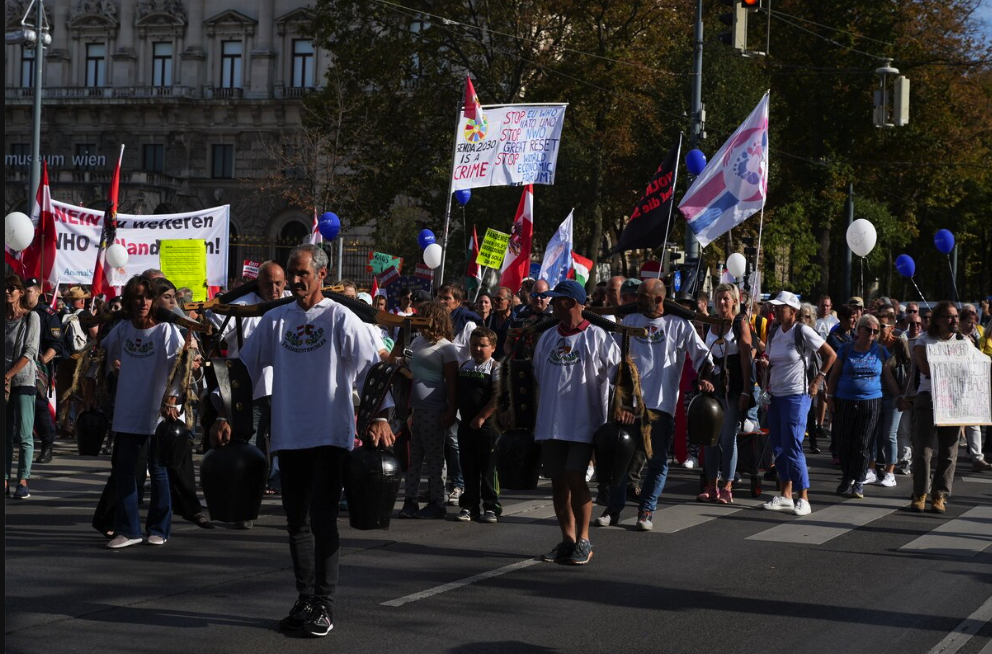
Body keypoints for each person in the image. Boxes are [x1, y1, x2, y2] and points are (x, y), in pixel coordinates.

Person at [210, 244, 393, 637]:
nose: (294, 280)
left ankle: (324, 605)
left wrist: (379, 415)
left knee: (323, 520)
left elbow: (371, 370)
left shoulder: (341, 318)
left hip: (329, 435)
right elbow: (243, 370)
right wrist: (226, 415)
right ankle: (305, 598)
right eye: (291, 273)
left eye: (302, 273)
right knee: (297, 522)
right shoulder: (276, 320)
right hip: (289, 435)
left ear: (322, 274)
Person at [597, 278, 713, 530]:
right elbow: (615, 358)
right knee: (620, 458)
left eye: (642, 296)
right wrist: (619, 397)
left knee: (657, 462)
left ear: (659, 299)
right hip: (630, 404)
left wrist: (705, 378)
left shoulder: (679, 325)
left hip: (661, 405)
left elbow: (703, 355)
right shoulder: (631, 320)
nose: (637, 300)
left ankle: (646, 511)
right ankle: (613, 509)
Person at [532, 280, 626, 565]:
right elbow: (537, 374)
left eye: (556, 299)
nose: (551, 303)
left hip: (584, 422)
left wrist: (622, 409)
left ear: (571, 303)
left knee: (575, 476)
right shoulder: (547, 337)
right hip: (551, 422)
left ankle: (584, 540)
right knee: (558, 482)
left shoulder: (597, 336)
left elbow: (620, 375)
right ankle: (568, 540)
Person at [87, 275, 184, 548]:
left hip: (158, 412)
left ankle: (159, 528)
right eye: (137, 297)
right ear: (130, 300)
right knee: (125, 471)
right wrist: (91, 389)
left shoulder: (166, 331)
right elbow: (98, 356)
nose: (143, 302)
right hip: (128, 410)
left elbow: (182, 366)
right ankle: (128, 530)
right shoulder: (123, 329)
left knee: (159, 472)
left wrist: (172, 399)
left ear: (154, 300)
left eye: (148, 297)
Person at [758, 291, 836, 517]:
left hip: (797, 395)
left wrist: (817, 380)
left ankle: (804, 497)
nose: (775, 310)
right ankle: (786, 495)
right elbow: (771, 359)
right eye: (774, 307)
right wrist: (765, 363)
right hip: (776, 395)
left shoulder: (803, 331)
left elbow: (830, 355)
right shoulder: (774, 332)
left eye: (780, 307)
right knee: (778, 446)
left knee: (792, 444)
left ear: (793, 311)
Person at [825, 314, 906, 498]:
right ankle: (847, 476)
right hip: (845, 400)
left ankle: (859, 482)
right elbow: (834, 375)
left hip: (871, 402)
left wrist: (900, 396)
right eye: (868, 329)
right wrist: (830, 397)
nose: (872, 334)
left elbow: (888, 377)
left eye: (875, 331)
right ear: (858, 329)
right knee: (844, 443)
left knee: (864, 443)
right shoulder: (846, 349)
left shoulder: (880, 351)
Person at [398, 300, 459, 519]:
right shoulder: (416, 342)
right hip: (412, 410)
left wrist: (451, 411)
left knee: (434, 458)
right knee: (413, 458)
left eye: (422, 315)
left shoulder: (446, 347)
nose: (418, 318)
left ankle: (437, 501)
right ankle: (410, 500)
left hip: (434, 410)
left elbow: (452, 382)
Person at [697, 284, 753, 504]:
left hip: (733, 387)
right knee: (710, 438)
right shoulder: (710, 323)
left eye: (726, 299)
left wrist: (746, 391)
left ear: (735, 301)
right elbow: (703, 356)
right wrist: (703, 378)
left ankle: (727, 487)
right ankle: (711, 486)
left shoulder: (740, 323)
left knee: (728, 438)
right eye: (718, 298)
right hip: (713, 387)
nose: (721, 303)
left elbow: (746, 359)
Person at [909, 301, 963, 514]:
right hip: (929, 398)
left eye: (956, 316)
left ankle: (939, 494)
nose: (954, 320)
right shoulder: (923, 341)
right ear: (938, 320)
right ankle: (920, 493)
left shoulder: (964, 342)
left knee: (949, 451)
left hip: (954, 401)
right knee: (924, 450)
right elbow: (925, 369)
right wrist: (956, 368)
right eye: (950, 316)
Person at [455, 327, 501, 523]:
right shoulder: (465, 366)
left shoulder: (496, 368)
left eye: (483, 345)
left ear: (493, 347)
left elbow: (497, 397)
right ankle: (469, 506)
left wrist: (482, 417)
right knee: (468, 467)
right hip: (465, 425)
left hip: (488, 428)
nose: (478, 349)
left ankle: (491, 507)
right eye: (474, 344)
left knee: (488, 469)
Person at [6, 274, 41, 499]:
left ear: (20, 292)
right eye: (4, 288)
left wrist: (8, 376)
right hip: (4, 382)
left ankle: (22, 480)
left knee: (24, 434)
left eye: (12, 288)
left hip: (23, 381)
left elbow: (30, 351)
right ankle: (4, 480)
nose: (7, 292)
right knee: (5, 435)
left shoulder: (31, 317)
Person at [23, 277, 65, 465]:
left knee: (39, 406)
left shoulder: (47, 314)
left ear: (38, 292)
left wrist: (42, 361)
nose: (25, 295)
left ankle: (47, 444)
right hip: (17, 364)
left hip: (37, 367)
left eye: (29, 291)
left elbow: (56, 343)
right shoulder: (16, 311)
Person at [868, 311, 912, 487]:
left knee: (890, 434)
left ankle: (890, 473)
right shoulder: (874, 343)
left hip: (894, 395)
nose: (877, 330)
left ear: (892, 328)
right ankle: (871, 470)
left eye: (882, 326)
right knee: (873, 434)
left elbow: (910, 368)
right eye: (876, 327)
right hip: (876, 393)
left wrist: (903, 394)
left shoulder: (900, 342)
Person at [958, 305, 991, 472]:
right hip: (957, 387)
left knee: (974, 423)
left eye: (974, 322)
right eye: (969, 322)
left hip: (972, 387)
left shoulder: (973, 339)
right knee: (952, 425)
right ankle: (938, 456)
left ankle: (977, 458)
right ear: (960, 322)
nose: (972, 325)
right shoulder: (955, 338)